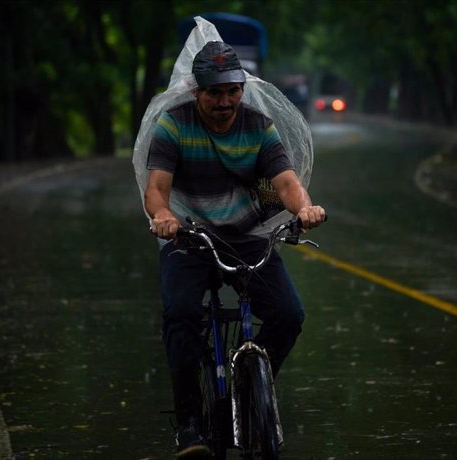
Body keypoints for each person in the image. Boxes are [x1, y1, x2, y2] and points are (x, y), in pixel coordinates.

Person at [144, 41, 326, 457]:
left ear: (242, 89)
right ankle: (188, 424)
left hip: (246, 236)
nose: (225, 102)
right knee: (181, 315)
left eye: (232, 91)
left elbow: (286, 183)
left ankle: (251, 390)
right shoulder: (174, 126)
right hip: (188, 239)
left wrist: (305, 207)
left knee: (288, 315)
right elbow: (156, 190)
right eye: (214, 93)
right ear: (197, 92)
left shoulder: (259, 127)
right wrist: (163, 217)